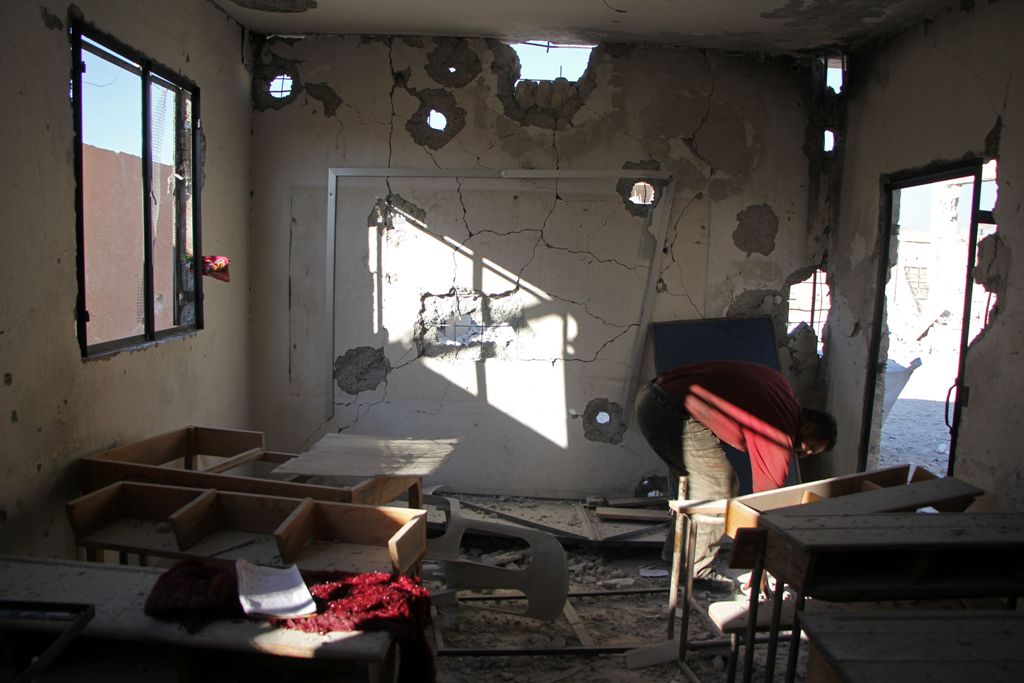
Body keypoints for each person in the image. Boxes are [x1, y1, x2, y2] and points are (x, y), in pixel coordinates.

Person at [634, 359, 837, 577]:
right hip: (667, 408)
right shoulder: (780, 429)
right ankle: (694, 572)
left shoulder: (782, 389)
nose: (804, 454)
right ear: (808, 426)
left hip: (656, 396)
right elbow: (769, 501)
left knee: (698, 486)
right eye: (810, 447)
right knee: (718, 488)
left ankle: (677, 558)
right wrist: (767, 561)